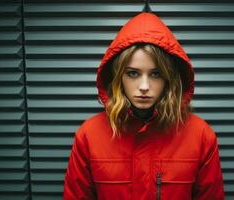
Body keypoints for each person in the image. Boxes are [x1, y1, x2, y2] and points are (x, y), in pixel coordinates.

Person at [63, 12, 225, 200]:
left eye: (155, 74)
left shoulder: (200, 136)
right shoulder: (89, 136)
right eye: (133, 74)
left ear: (169, 79)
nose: (144, 87)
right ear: (118, 77)